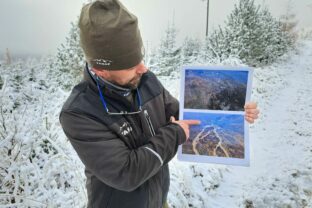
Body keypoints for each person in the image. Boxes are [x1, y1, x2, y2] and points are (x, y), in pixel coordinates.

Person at [59, 0, 260, 207]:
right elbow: (126, 173)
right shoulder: (79, 113)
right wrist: (174, 134)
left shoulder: (146, 81)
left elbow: (183, 117)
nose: (143, 68)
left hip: (158, 201)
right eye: (131, 64)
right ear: (101, 70)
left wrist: (233, 113)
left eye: (140, 57)